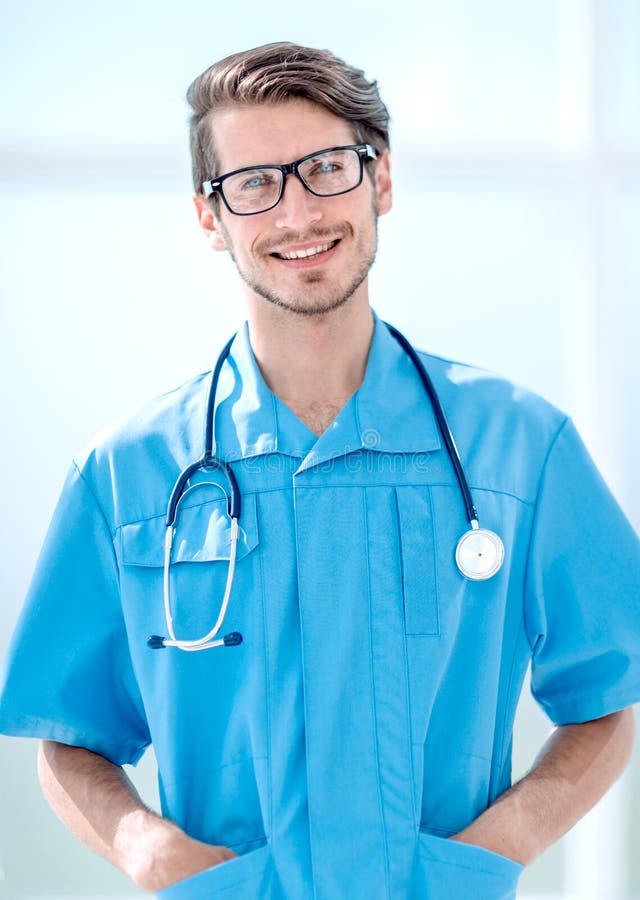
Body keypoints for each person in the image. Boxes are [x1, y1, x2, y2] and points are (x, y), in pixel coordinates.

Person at [0, 41, 639, 900]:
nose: (297, 213)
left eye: (327, 168)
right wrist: (147, 849)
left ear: (380, 181)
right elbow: (70, 733)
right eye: (255, 183)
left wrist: (502, 844)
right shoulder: (125, 478)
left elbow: (606, 695)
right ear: (208, 217)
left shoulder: (520, 448)